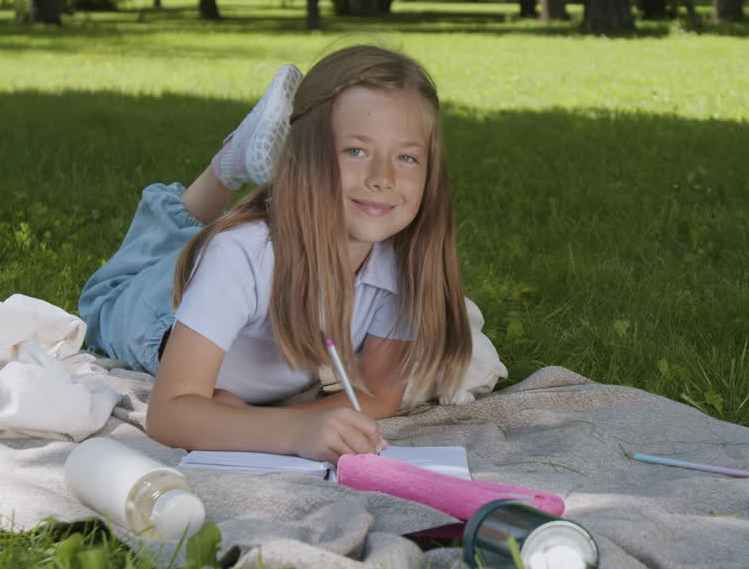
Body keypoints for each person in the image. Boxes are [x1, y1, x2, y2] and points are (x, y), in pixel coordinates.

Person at [78, 45, 474, 463]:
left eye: (407, 157)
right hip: (157, 315)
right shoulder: (243, 255)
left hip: (225, 282)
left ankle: (236, 163)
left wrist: (265, 420)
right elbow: (169, 412)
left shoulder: (404, 263)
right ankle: (226, 165)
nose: (383, 178)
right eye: (356, 151)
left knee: (184, 248)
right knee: (121, 279)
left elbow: (376, 396)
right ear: (303, 155)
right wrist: (290, 430)